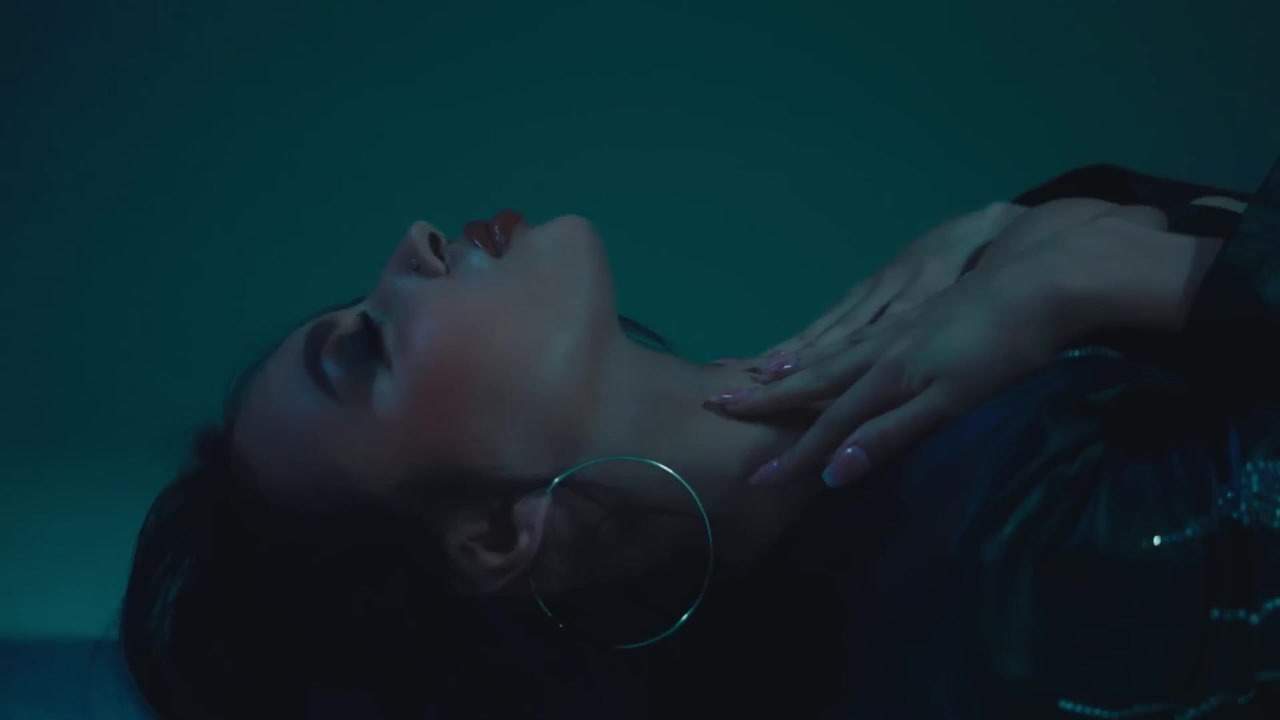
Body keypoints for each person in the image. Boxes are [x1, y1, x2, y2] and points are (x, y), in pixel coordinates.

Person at [119, 159, 1280, 719]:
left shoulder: (937, 421)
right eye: (369, 348)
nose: (413, 243)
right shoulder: (1004, 587)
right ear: (491, 536)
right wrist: (1124, 265)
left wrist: (1054, 222)